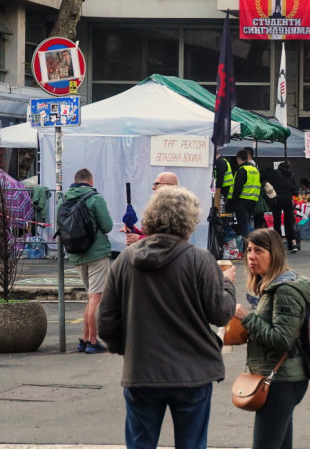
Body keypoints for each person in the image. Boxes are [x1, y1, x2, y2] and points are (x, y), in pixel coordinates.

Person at [99, 186, 237, 449]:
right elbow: (220, 314)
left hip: (141, 371)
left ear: (150, 216)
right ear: (189, 221)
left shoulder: (125, 260)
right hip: (192, 373)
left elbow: (106, 321)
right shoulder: (200, 260)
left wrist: (125, 349)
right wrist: (227, 284)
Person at [233, 229, 310, 449]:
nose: (251, 256)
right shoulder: (271, 286)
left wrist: (247, 319)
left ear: (274, 254)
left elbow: (282, 339)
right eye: (249, 250)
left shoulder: (284, 291)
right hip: (280, 378)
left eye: (258, 250)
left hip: (280, 382)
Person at [64, 168, 114, 354]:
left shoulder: (65, 199)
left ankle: (85, 339)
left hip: (76, 254)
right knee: (95, 298)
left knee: (90, 297)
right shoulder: (95, 198)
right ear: (90, 181)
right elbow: (107, 226)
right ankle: (93, 341)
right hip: (96, 253)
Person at [125, 172, 180, 245]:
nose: (153, 188)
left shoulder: (177, 209)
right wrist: (133, 230)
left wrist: (139, 239)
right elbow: (150, 233)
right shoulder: (158, 207)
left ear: (169, 186)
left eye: (157, 184)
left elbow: (167, 240)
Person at [230, 150, 262, 252]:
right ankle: (250, 248)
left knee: (243, 228)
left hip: (242, 202)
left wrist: (231, 203)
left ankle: (246, 250)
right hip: (252, 201)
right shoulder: (255, 170)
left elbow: (237, 189)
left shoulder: (242, 170)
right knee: (248, 227)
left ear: (239, 159)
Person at [266, 161, 299, 253]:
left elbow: (269, 185)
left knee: (277, 221)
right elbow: (294, 189)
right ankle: (293, 244)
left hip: (277, 198)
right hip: (288, 199)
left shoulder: (275, 173)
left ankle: (278, 244)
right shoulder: (291, 175)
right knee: (288, 222)